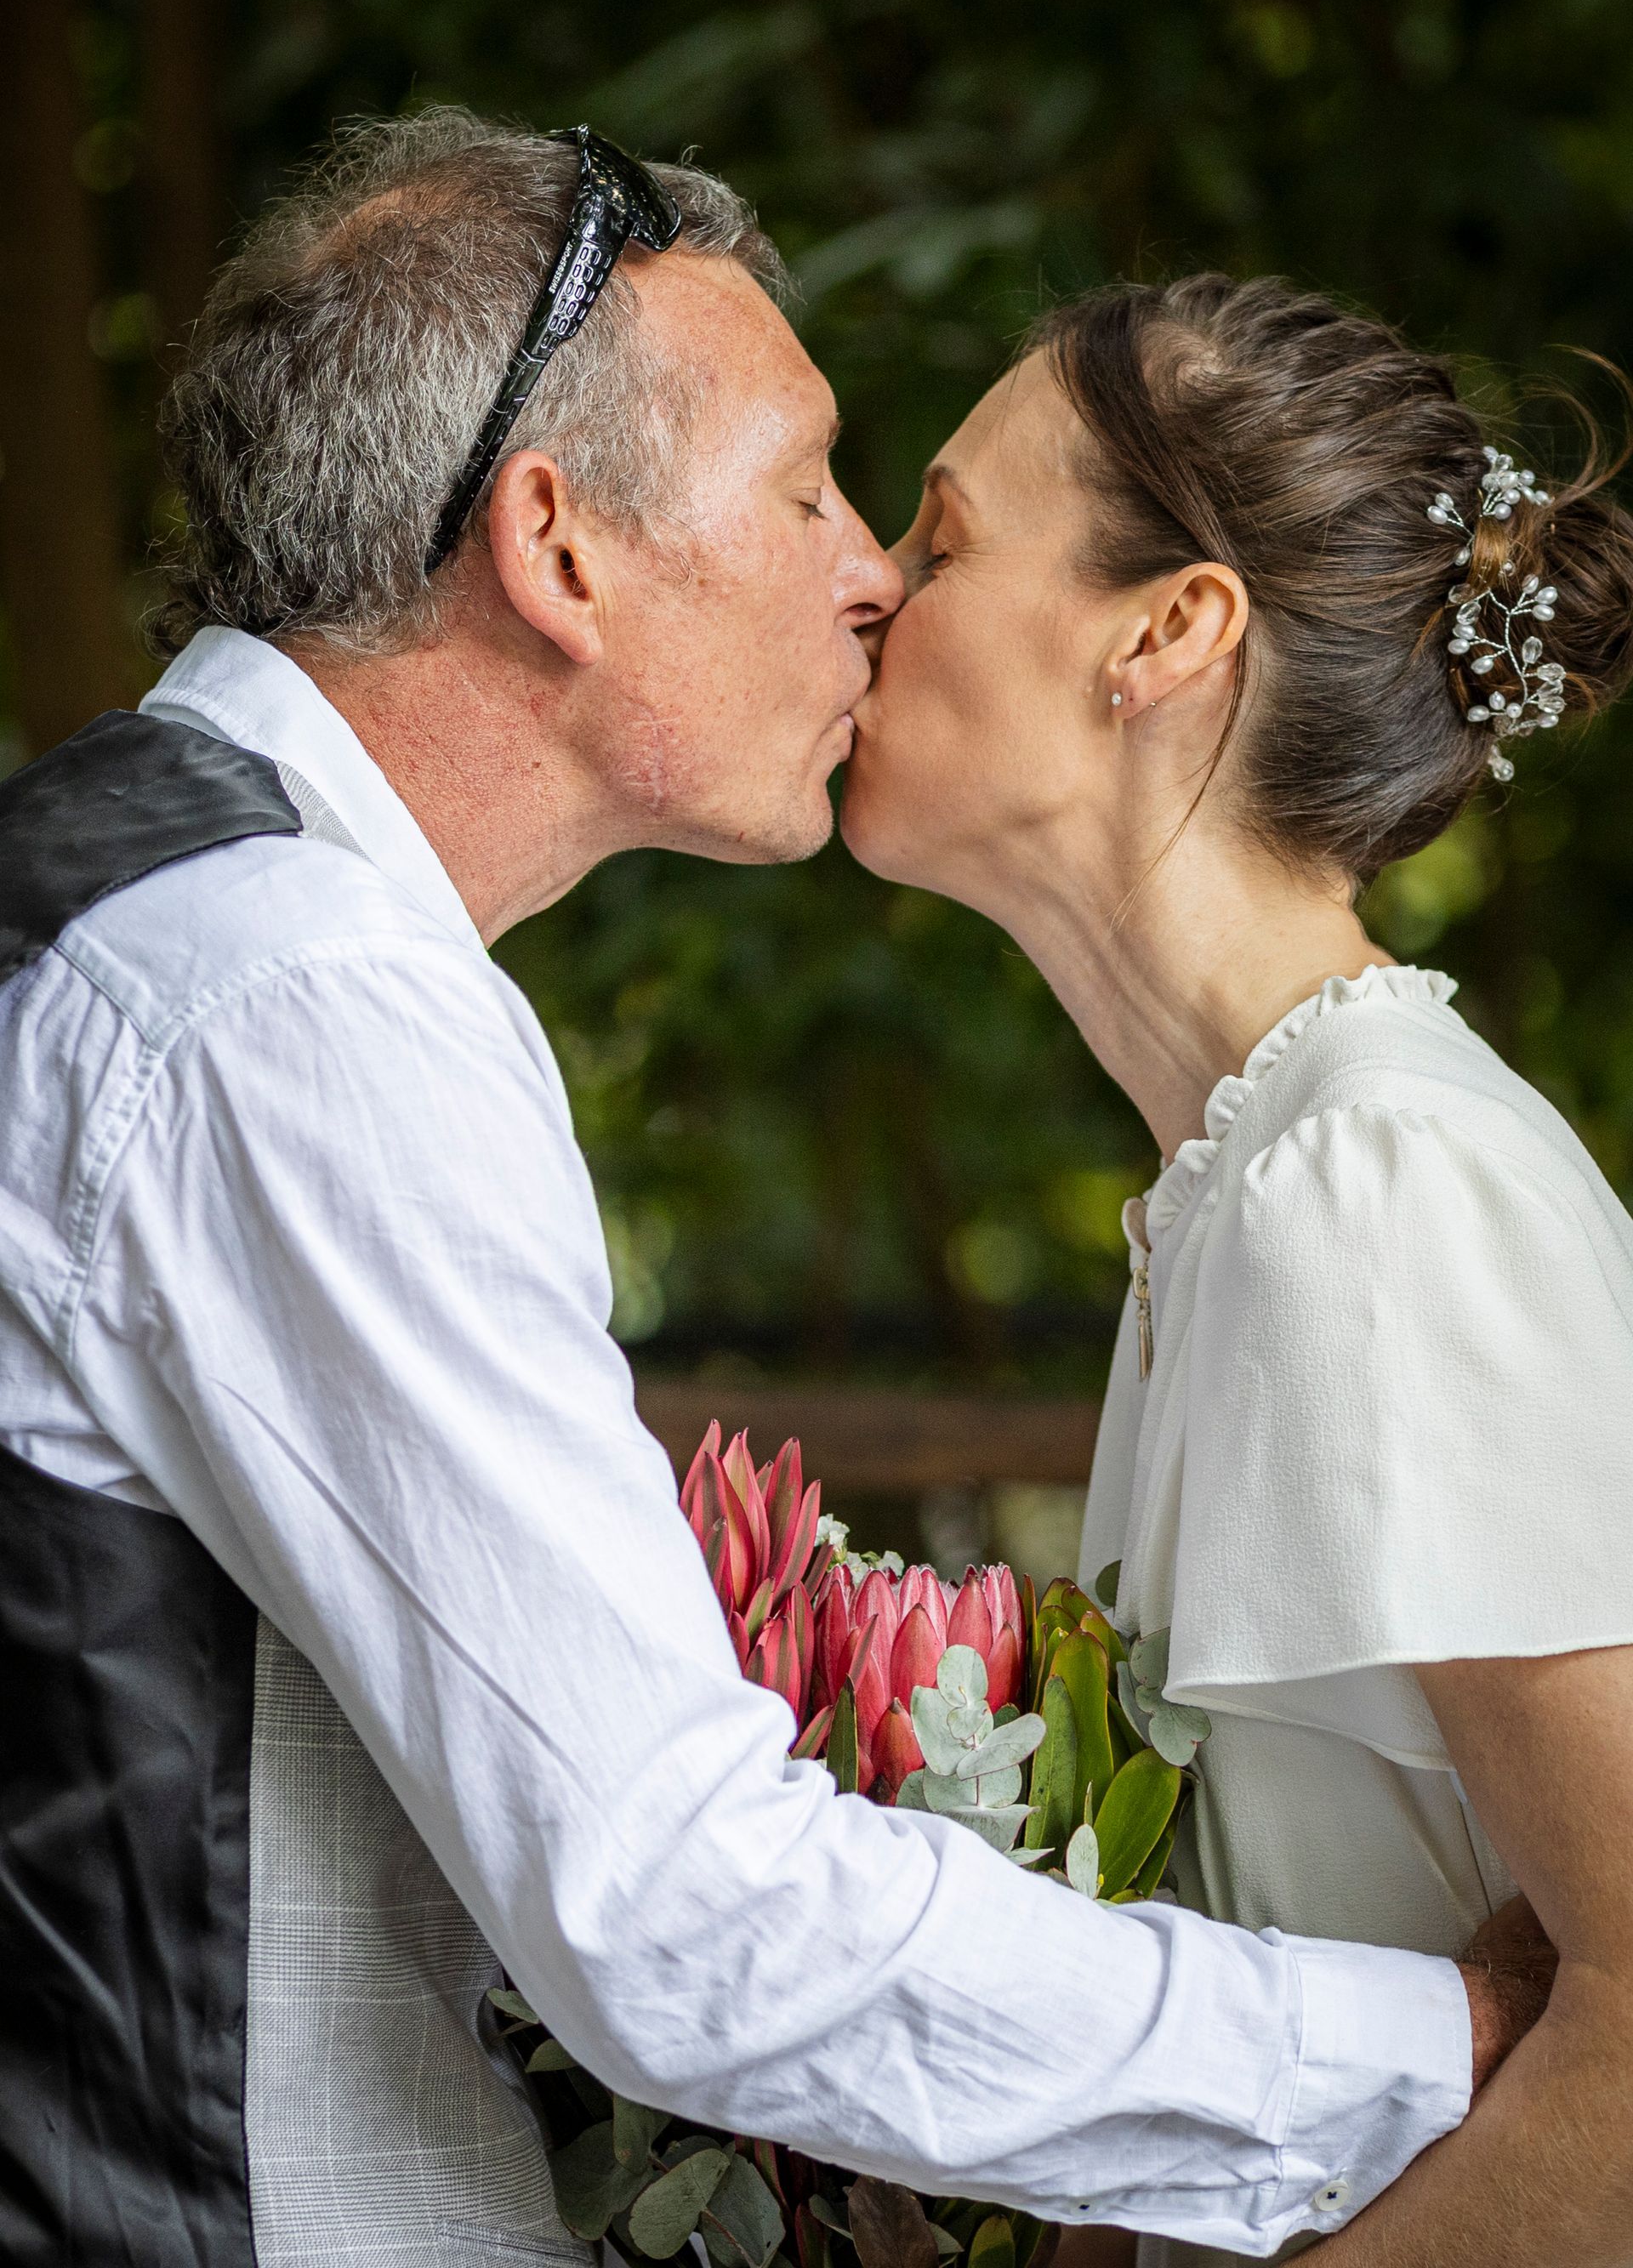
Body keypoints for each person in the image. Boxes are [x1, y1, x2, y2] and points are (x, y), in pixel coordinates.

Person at [0, 118, 1539, 2268]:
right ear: (559, 549)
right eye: (815, 485)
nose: (871, 579)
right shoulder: (291, 996)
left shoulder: (136, 902)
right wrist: (1419, 2055)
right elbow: (675, 1904)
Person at [841, 271, 1633, 2267]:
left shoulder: (1376, 1182)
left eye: (940, 534)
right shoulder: (1245, 1189)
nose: (864, 582)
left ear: (1168, 633)